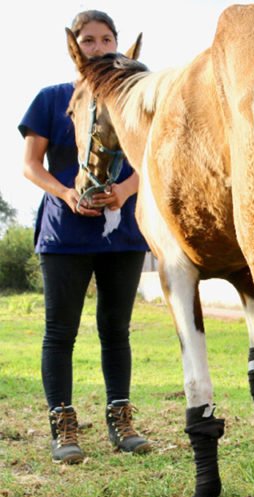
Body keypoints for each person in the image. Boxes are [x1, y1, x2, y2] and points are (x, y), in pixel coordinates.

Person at [20, 10, 151, 464]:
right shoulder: (51, 99)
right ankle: (64, 425)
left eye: (106, 38)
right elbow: (30, 164)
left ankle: (121, 421)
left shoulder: (134, 99)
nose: (99, 47)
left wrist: (125, 190)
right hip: (64, 234)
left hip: (123, 233)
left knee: (116, 330)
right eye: (89, 40)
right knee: (60, 332)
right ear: (75, 49)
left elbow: (151, 156)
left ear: (119, 45)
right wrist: (64, 192)